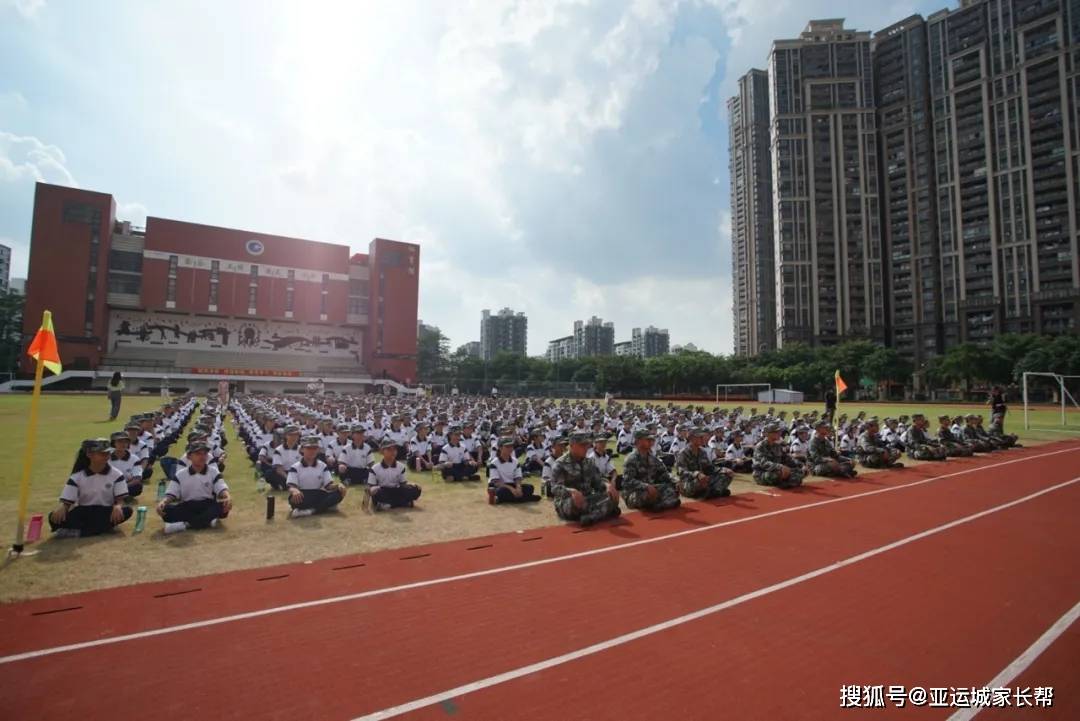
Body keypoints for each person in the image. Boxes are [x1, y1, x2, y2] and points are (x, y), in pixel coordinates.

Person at [49, 439, 133, 538]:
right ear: (89, 454)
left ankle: (80, 532)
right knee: (53, 517)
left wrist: (118, 506)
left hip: (105, 511)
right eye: (102, 453)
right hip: (83, 512)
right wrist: (63, 508)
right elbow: (68, 501)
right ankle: (103, 528)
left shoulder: (117, 474)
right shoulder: (77, 477)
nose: (106, 456)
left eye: (108, 453)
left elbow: (120, 499)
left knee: (127, 511)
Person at [158, 441, 232, 534]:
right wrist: (163, 502)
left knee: (222, 507)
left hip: (207, 504)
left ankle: (185, 524)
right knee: (165, 510)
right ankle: (206, 522)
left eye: (205, 454)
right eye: (198, 454)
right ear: (189, 457)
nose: (202, 457)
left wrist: (227, 497)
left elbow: (221, 488)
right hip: (187, 506)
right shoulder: (181, 474)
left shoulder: (213, 471)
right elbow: (171, 494)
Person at [549, 431, 620, 526]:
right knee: (576, 504)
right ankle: (602, 511)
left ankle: (591, 516)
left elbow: (598, 482)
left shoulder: (589, 462)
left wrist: (607, 485)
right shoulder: (560, 464)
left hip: (588, 498)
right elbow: (554, 488)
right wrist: (571, 491)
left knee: (611, 496)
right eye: (582, 445)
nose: (586, 448)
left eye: (587, 445)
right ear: (572, 445)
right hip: (568, 501)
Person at [287, 436, 347, 517]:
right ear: (301, 449)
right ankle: (324, 507)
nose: (312, 451)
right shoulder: (295, 467)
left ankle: (310, 511)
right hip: (303, 495)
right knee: (294, 499)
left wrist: (338, 486)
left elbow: (328, 486)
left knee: (338, 494)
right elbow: (291, 486)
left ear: (318, 450)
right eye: (308, 448)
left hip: (318, 493)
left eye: (314, 448)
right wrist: (294, 491)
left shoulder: (322, 465)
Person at [621, 429, 681, 511]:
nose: (651, 442)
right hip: (634, 492)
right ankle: (660, 504)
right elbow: (627, 481)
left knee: (671, 489)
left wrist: (676, 482)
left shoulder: (652, 457)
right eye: (647, 439)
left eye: (651, 439)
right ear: (638, 441)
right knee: (647, 495)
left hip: (652, 488)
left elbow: (664, 474)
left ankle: (658, 504)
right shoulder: (631, 459)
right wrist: (645, 486)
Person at [674, 428, 733, 499]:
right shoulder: (683, 453)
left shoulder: (703, 452)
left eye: (703, 437)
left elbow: (709, 468)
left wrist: (723, 470)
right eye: (700, 437)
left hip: (703, 479)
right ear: (692, 438)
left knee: (726, 475)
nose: (703, 439)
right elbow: (681, 472)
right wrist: (697, 474)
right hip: (689, 482)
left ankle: (713, 491)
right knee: (701, 481)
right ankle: (714, 491)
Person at [366, 439, 422, 511]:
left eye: (394, 449)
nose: (393, 452)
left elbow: (403, 484)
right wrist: (373, 489)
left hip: (396, 490)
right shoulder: (375, 468)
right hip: (383, 490)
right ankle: (403, 503)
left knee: (416, 489)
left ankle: (388, 504)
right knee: (377, 493)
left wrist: (412, 485)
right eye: (389, 449)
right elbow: (371, 487)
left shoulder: (401, 466)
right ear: (382, 451)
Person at [487, 437, 540, 504]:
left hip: (512, 484)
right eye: (507, 446)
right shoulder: (494, 463)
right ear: (500, 448)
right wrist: (512, 489)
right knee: (501, 492)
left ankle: (501, 500)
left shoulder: (515, 461)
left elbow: (518, 478)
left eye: (511, 446)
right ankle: (527, 498)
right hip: (500, 486)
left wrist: (518, 487)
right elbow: (496, 482)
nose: (510, 448)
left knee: (530, 488)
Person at [752, 423, 806, 488]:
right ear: (768, 434)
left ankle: (786, 482)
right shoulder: (760, 446)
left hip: (777, 470)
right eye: (776, 432)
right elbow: (764, 463)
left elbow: (787, 459)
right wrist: (780, 467)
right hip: (762, 473)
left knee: (800, 471)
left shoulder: (777, 446)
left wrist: (801, 465)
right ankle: (787, 482)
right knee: (779, 474)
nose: (779, 434)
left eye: (779, 432)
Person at [108, 431, 146, 499]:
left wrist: (120, 487)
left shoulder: (134, 459)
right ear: (113, 443)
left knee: (137, 486)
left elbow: (137, 479)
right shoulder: (106, 457)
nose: (123, 444)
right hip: (109, 485)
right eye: (120, 441)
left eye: (125, 441)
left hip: (126, 484)